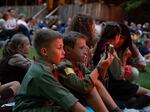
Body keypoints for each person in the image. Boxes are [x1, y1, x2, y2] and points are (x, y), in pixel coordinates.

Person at [13, 29, 87, 112]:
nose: (64, 52)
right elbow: (68, 100)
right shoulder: (41, 72)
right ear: (44, 52)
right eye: (59, 48)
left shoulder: (45, 66)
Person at [55, 31, 122, 112]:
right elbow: (84, 87)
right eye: (81, 48)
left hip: (79, 98)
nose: (85, 50)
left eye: (85, 47)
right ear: (68, 50)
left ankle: (116, 110)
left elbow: (97, 81)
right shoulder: (64, 66)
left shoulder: (78, 64)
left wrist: (103, 67)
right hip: (68, 104)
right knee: (90, 88)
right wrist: (98, 68)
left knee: (94, 82)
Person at [93, 21, 150, 109]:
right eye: (120, 36)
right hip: (115, 86)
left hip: (106, 85)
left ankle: (128, 104)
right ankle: (130, 109)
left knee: (135, 97)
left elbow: (142, 64)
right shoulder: (111, 50)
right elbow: (119, 76)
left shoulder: (98, 45)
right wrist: (124, 58)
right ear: (116, 36)